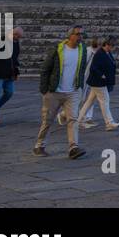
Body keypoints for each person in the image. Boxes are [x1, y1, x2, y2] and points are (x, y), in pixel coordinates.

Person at [33, 26, 88, 160]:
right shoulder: (57, 50)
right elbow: (45, 69)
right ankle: (39, 145)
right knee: (47, 120)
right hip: (54, 92)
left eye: (82, 34)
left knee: (73, 119)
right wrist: (44, 90)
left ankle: (73, 147)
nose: (80, 36)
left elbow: (81, 69)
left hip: (72, 92)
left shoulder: (83, 50)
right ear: (70, 36)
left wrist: (79, 87)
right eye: (78, 34)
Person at [77, 37, 119, 130]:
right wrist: (102, 75)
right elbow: (93, 68)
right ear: (107, 45)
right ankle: (109, 123)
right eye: (112, 46)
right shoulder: (99, 54)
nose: (113, 48)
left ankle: (78, 120)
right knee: (105, 101)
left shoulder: (107, 53)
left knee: (89, 102)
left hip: (101, 82)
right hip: (99, 82)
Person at [69, 37, 100, 129]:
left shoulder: (97, 53)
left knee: (91, 98)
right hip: (84, 78)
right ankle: (77, 118)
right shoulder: (88, 52)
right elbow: (81, 65)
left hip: (92, 78)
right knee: (81, 98)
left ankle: (87, 117)